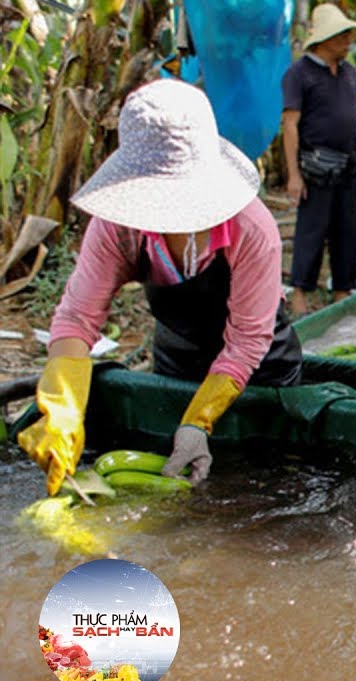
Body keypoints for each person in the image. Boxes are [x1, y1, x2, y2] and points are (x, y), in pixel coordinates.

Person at [19, 79, 303, 495]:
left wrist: (198, 421)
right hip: (178, 359)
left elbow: (245, 342)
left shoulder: (251, 229)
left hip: (261, 373)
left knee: (259, 489)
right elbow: (79, 319)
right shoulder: (118, 229)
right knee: (176, 494)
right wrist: (62, 405)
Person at [281, 3, 356, 318]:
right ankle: (300, 294)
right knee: (312, 229)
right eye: (342, 36)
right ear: (326, 38)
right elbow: (290, 123)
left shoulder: (347, 72)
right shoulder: (299, 73)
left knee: (348, 229)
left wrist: (350, 119)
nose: (348, 42)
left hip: (347, 162)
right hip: (316, 163)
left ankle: (343, 291)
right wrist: (294, 175)